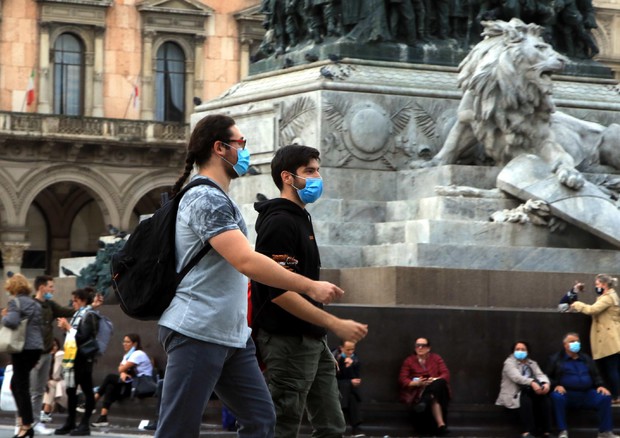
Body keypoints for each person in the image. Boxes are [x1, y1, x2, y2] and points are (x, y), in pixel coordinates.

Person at [155, 114, 366, 438]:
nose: (246, 151)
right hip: (197, 330)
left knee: (262, 421)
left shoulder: (222, 199)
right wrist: (310, 286)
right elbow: (246, 261)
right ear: (220, 148)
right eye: (242, 143)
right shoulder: (205, 198)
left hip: (232, 336)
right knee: (178, 430)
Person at [251, 144, 368, 437]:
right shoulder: (279, 223)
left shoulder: (300, 218)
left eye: (318, 170)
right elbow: (278, 292)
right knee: (283, 424)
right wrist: (335, 323)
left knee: (331, 425)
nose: (318, 177)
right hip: (287, 340)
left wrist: (321, 335)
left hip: (311, 339)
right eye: (310, 171)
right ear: (288, 177)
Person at [30, 275, 81, 436]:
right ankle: (24, 422)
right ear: (42, 287)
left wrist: (85, 306)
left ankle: (36, 422)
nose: (53, 289)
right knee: (30, 390)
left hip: (46, 354)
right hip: (32, 354)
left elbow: (68, 311)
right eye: (50, 286)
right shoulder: (30, 305)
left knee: (39, 391)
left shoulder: (50, 305)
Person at [546, 332, 619, 438]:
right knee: (556, 397)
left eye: (577, 341)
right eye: (572, 341)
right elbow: (546, 377)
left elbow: (596, 375)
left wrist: (600, 385)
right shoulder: (556, 359)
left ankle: (605, 431)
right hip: (567, 393)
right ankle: (562, 431)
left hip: (587, 393)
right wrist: (555, 385)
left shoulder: (586, 358)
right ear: (565, 344)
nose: (575, 343)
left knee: (605, 397)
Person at [2, 273, 43, 438]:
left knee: (21, 387)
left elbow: (11, 322)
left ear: (13, 288)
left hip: (22, 348)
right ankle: (27, 424)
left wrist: (4, 316)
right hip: (36, 348)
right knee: (17, 384)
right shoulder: (36, 303)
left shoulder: (15, 302)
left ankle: (26, 424)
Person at [55, 288, 99, 436]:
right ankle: (71, 421)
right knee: (70, 390)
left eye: (74, 300)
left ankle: (85, 424)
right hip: (72, 357)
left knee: (87, 390)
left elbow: (83, 337)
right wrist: (66, 328)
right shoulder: (77, 315)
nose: (72, 303)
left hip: (83, 359)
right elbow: (73, 335)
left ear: (82, 300)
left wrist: (68, 327)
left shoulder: (88, 315)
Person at [571, 274, 620, 403]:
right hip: (610, 338)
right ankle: (615, 395)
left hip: (609, 339)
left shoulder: (608, 298)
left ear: (604, 285)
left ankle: (616, 396)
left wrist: (577, 304)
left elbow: (592, 310)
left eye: (597, 284)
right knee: (611, 368)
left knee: (611, 369)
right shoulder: (609, 296)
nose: (596, 287)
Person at [91, 333, 154, 428]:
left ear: (135, 344)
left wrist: (122, 371)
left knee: (110, 377)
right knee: (110, 387)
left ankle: (93, 401)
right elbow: (121, 368)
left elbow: (121, 368)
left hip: (141, 385)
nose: (124, 344)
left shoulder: (138, 354)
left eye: (128, 342)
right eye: (124, 341)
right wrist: (123, 373)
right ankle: (103, 417)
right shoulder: (128, 355)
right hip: (131, 385)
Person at [496, 341, 553, 437]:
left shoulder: (532, 363)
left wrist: (545, 384)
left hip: (530, 391)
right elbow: (517, 377)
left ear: (528, 351)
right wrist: (532, 382)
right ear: (513, 351)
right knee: (525, 398)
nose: (520, 351)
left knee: (544, 398)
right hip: (514, 395)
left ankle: (547, 432)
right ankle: (528, 432)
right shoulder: (509, 363)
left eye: (523, 349)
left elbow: (540, 375)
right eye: (517, 349)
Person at [398, 337, 450, 436]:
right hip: (419, 391)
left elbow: (445, 374)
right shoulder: (409, 361)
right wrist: (417, 383)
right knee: (433, 396)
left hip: (438, 390)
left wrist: (433, 380)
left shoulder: (436, 358)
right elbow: (402, 379)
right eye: (417, 345)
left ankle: (425, 401)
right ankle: (441, 424)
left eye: (423, 346)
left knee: (439, 383)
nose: (420, 348)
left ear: (428, 348)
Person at [333, 340, 364, 436]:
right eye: (348, 350)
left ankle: (346, 426)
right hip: (335, 386)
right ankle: (354, 427)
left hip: (348, 390)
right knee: (348, 392)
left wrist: (350, 366)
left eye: (352, 349)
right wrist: (343, 364)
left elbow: (356, 376)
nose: (350, 352)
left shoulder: (355, 359)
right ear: (341, 348)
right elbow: (335, 376)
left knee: (351, 397)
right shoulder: (335, 358)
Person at [41, 338, 67, 423]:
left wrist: (56, 358)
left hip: (66, 383)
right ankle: (46, 413)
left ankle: (45, 412)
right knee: (50, 384)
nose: (53, 348)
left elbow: (56, 375)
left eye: (55, 345)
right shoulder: (45, 357)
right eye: (51, 345)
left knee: (50, 383)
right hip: (53, 384)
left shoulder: (60, 354)